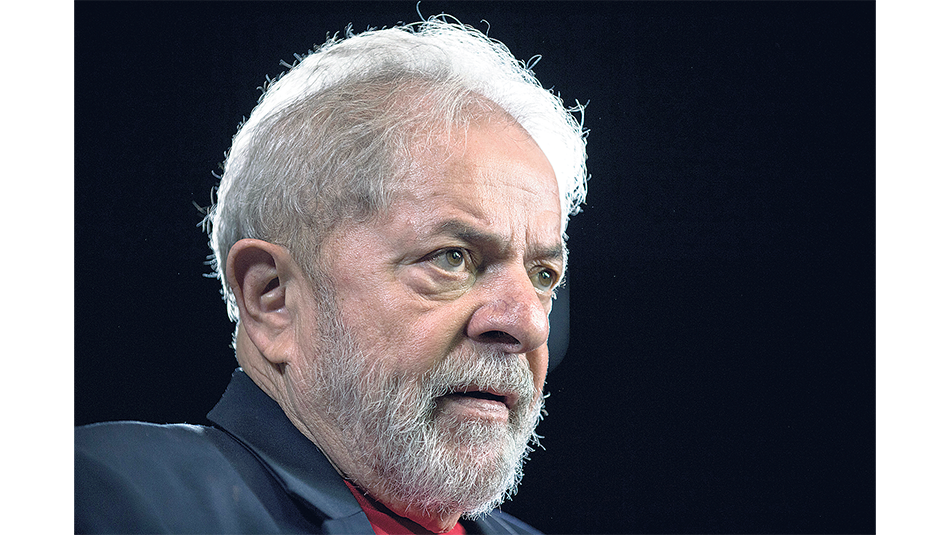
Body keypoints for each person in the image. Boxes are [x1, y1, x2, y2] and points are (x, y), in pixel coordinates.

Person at [75, 17, 588, 535]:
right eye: (452, 258)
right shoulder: (104, 496)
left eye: (543, 276)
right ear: (273, 298)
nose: (529, 324)